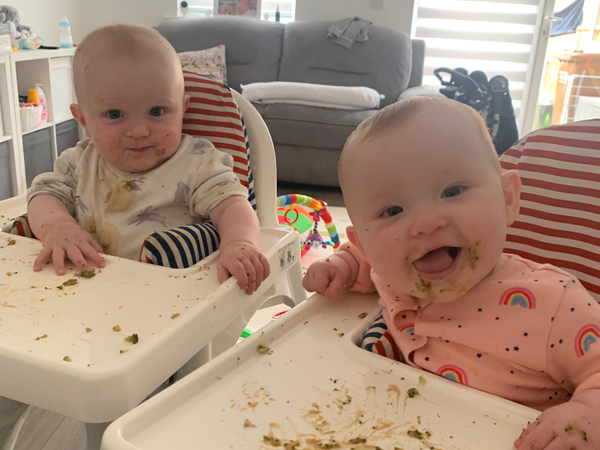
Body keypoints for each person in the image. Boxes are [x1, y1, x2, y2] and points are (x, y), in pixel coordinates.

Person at [303, 97, 600, 449]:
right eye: (393, 210)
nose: (426, 222)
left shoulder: (555, 304)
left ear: (508, 200)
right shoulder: (391, 270)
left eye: (453, 191)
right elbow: (363, 260)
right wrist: (343, 265)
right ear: (366, 245)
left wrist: (585, 413)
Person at [27, 24, 269, 295]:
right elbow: (43, 196)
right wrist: (57, 227)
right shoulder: (78, 163)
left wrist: (239, 243)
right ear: (84, 120)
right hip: (84, 293)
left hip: (172, 300)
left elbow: (233, 206)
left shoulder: (198, 162)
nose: (139, 132)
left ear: (182, 109)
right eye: (115, 114)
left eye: (156, 111)